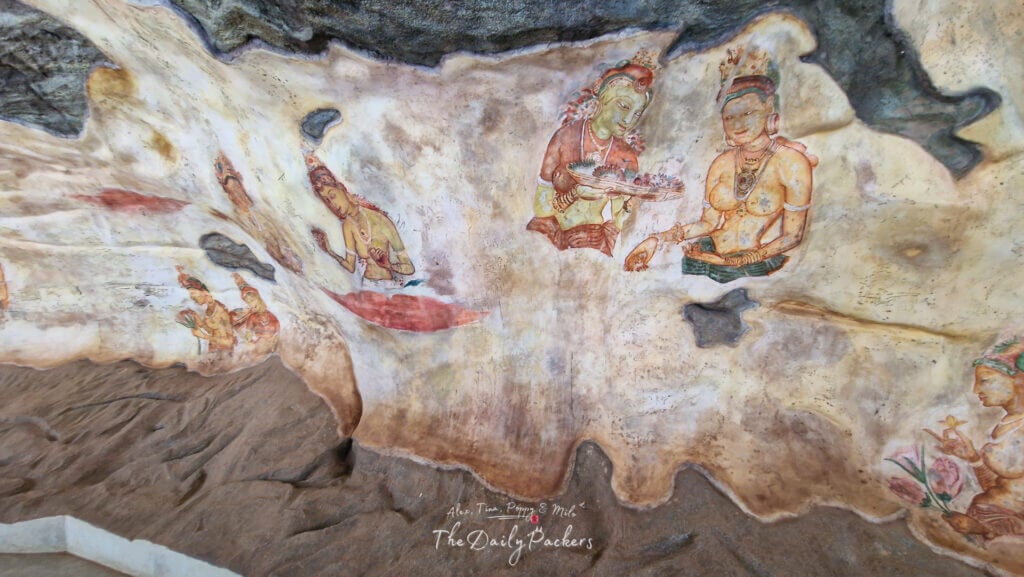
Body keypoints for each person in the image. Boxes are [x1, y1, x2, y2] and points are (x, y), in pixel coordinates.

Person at [624, 47, 815, 282]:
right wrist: (657, 239)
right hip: (705, 258)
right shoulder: (722, 163)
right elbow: (709, 223)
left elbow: (792, 236)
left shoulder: (791, 162)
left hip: (754, 267)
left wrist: (739, 261)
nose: (738, 124)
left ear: (769, 109)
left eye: (748, 113)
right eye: (729, 117)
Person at [527, 50, 659, 257]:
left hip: (594, 241)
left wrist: (627, 205)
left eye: (636, 113)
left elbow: (619, 219)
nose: (629, 119)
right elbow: (541, 208)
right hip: (553, 237)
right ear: (604, 98)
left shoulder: (627, 156)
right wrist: (575, 194)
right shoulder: (566, 137)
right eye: (624, 106)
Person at [926, 338, 1024, 539]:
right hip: (990, 518)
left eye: (985, 380)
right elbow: (999, 487)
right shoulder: (1007, 424)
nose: (976, 390)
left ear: (1019, 381)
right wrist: (973, 458)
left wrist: (985, 529)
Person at [307, 153, 415, 284]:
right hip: (368, 287)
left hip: (389, 287)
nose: (333, 205)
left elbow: (409, 268)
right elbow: (350, 266)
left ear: (341, 188)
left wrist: (387, 265)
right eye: (327, 201)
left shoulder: (381, 220)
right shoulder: (348, 225)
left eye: (333, 196)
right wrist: (329, 250)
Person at [213, 153, 304, 274]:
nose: (228, 173)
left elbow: (282, 239)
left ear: (239, 176)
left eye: (230, 169)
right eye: (223, 170)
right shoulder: (236, 219)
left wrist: (287, 255)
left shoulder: (263, 209)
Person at [176, 266, 236, 354]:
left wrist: (203, 336)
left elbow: (230, 341)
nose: (192, 298)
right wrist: (196, 317)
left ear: (204, 292)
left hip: (224, 352)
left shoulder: (221, 311)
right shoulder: (208, 310)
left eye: (193, 293)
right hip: (212, 350)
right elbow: (211, 330)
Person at [229, 272, 280, 355]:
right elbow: (248, 335)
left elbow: (277, 332)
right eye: (248, 302)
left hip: (272, 347)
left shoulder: (271, 316)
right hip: (259, 347)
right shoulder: (252, 317)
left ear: (258, 299)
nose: (251, 304)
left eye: (252, 301)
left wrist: (273, 342)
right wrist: (249, 342)